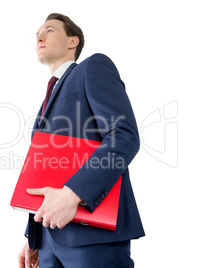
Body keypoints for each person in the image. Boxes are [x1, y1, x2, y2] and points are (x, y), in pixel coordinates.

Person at [18, 13, 145, 268]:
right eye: (37, 35)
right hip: (47, 241)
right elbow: (42, 174)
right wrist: (33, 237)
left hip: (92, 236)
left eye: (50, 30)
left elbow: (124, 135)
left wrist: (75, 194)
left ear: (72, 41)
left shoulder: (93, 67)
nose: (40, 37)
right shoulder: (45, 101)